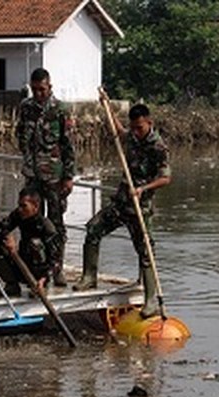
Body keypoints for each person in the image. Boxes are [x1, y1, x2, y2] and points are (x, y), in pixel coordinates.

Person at [73, 99, 171, 319]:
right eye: (133, 127)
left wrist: (143, 188)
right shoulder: (132, 138)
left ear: (149, 123)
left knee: (145, 251)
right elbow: (120, 131)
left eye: (140, 128)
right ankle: (89, 277)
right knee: (93, 228)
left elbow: (166, 178)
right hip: (121, 202)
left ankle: (150, 300)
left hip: (140, 207)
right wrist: (107, 107)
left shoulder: (158, 146)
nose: (135, 132)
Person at [16, 68, 76, 287]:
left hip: (54, 177)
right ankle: (35, 270)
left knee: (56, 223)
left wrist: (68, 177)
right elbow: (20, 135)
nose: (38, 93)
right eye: (35, 90)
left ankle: (57, 269)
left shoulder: (60, 110)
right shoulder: (26, 108)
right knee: (32, 222)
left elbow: (69, 146)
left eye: (42, 89)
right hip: (32, 175)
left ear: (49, 87)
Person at [0, 187, 60, 298]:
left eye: (24, 206)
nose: (20, 209)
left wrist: (44, 278)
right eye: (19, 205)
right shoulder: (18, 215)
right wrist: (7, 237)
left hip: (38, 272)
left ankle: (37, 285)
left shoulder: (46, 226)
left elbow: (55, 262)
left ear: (35, 207)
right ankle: (12, 284)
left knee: (35, 243)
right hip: (21, 263)